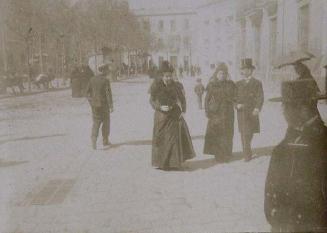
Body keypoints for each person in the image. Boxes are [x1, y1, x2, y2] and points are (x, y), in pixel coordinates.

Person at [264, 79, 327, 232]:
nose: (284, 110)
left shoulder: (322, 145)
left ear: (304, 108)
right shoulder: (282, 148)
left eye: (287, 106)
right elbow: (270, 194)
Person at [150, 61, 195, 170]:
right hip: (161, 117)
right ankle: (162, 163)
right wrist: (159, 107)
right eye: (166, 76)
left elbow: (183, 99)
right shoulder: (156, 86)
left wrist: (183, 111)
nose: (168, 78)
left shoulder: (176, 86)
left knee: (174, 139)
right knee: (162, 139)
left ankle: (174, 163)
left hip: (174, 115)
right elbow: (152, 100)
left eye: (170, 76)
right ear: (162, 76)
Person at [204, 63, 236, 162]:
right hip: (216, 114)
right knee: (217, 133)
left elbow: (235, 97)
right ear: (216, 74)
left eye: (224, 74)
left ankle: (227, 154)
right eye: (220, 73)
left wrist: (235, 102)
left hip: (228, 113)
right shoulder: (212, 85)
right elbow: (207, 100)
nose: (222, 75)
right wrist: (207, 111)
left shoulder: (231, 84)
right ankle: (218, 155)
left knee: (228, 132)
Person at [236, 58, 264, 162]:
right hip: (241, 112)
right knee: (244, 132)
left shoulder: (257, 83)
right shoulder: (237, 83)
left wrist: (257, 108)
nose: (244, 71)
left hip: (252, 111)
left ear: (251, 70)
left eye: (247, 69)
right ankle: (247, 153)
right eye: (243, 69)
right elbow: (234, 97)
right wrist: (236, 105)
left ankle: (247, 149)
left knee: (250, 132)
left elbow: (260, 96)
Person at [86, 63, 114, 150]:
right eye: (107, 70)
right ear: (104, 70)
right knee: (106, 122)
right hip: (104, 105)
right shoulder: (105, 80)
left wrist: (91, 102)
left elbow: (87, 93)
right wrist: (111, 105)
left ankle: (93, 140)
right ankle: (105, 140)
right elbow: (108, 94)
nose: (108, 71)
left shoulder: (92, 79)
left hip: (95, 106)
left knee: (96, 123)